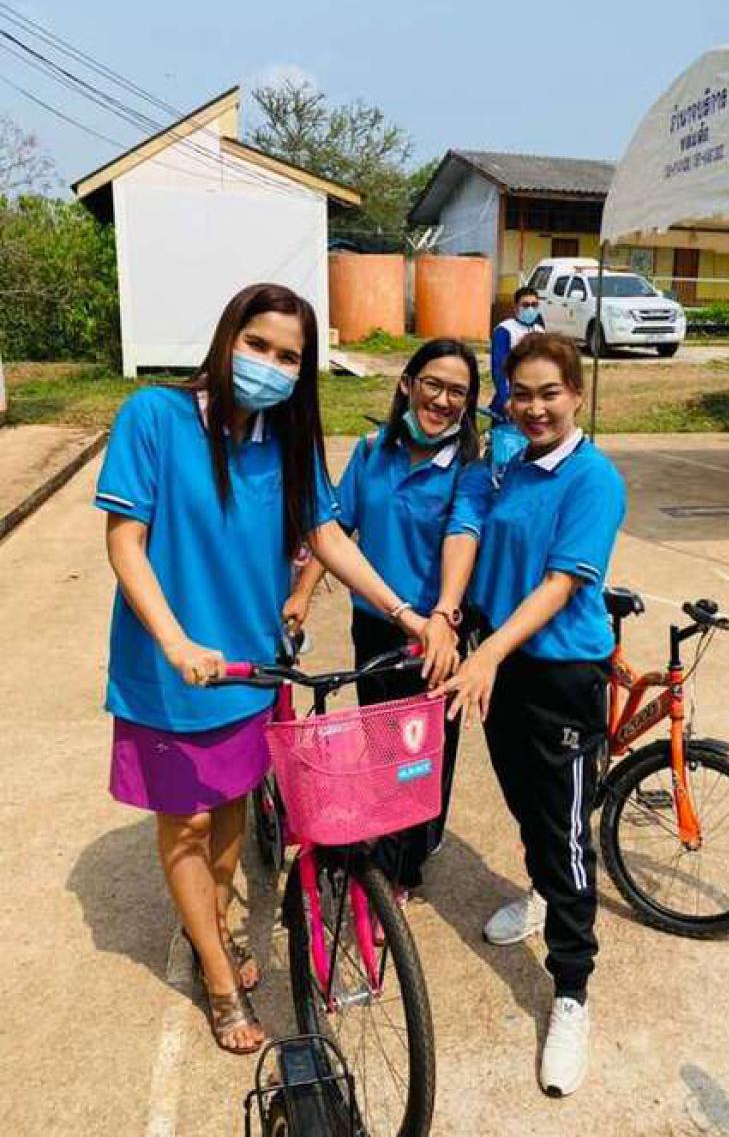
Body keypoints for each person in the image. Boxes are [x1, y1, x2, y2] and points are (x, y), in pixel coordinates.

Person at [95, 283, 447, 1057]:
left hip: (250, 669)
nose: (270, 365)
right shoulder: (153, 418)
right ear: (226, 339)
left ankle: (214, 925)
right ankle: (219, 978)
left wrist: (406, 613)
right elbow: (125, 543)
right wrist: (176, 643)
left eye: (289, 357)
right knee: (186, 823)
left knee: (228, 811)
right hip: (172, 671)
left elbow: (327, 537)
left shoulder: (286, 442)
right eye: (257, 345)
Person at [435, 331, 626, 1098]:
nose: (536, 407)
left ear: (575, 394)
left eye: (550, 393)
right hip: (503, 668)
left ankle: (572, 991)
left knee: (566, 834)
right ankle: (541, 892)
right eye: (522, 394)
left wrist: (487, 652)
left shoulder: (594, 478)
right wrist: (453, 619)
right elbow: (470, 530)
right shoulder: (508, 467)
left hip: (559, 675)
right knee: (524, 801)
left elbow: (559, 583)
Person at [284, 339, 489, 895]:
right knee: (380, 739)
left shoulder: (468, 469)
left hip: (434, 634)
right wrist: (302, 594)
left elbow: (463, 535)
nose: (443, 400)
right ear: (407, 384)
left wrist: (444, 615)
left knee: (419, 752)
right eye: (433, 384)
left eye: (458, 392)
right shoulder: (372, 450)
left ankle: (405, 866)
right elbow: (335, 527)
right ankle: (394, 835)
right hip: (374, 624)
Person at [489, 284, 544, 416]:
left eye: (534, 305)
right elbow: (499, 367)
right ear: (515, 307)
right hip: (511, 395)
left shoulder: (540, 331)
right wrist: (506, 398)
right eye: (525, 305)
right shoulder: (505, 330)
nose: (530, 309)